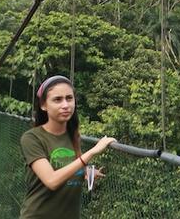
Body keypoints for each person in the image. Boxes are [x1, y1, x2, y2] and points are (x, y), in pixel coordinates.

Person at [19, 75, 116, 219]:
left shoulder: (73, 136)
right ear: (43, 105)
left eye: (69, 98)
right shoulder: (32, 138)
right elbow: (51, 180)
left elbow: (69, 167)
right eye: (57, 100)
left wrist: (86, 173)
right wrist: (92, 152)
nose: (65, 105)